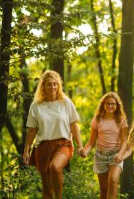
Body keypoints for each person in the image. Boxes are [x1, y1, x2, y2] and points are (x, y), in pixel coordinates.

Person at [22, 70, 83, 199]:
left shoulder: (65, 102)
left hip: (63, 145)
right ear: (43, 86)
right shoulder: (36, 106)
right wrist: (27, 150)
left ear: (59, 85)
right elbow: (32, 130)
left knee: (55, 167)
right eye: (49, 84)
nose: (53, 87)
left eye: (55, 84)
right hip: (43, 147)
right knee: (47, 189)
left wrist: (80, 146)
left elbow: (74, 125)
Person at [80, 92, 128, 199]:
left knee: (113, 181)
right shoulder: (97, 120)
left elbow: (124, 141)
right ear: (103, 105)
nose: (110, 106)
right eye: (107, 104)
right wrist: (85, 151)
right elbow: (92, 141)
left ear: (117, 105)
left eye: (113, 104)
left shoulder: (121, 120)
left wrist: (120, 154)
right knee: (104, 188)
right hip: (100, 156)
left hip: (115, 155)